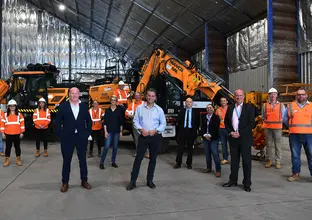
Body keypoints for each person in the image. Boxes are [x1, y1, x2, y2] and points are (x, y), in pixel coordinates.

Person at [126, 88, 166, 191]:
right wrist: (140, 129)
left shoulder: (159, 110)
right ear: (146, 96)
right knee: (138, 159)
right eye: (149, 95)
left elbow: (163, 124)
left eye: (153, 96)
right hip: (143, 137)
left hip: (155, 137)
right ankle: (133, 181)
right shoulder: (139, 108)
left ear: (155, 97)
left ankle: (150, 180)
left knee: (153, 160)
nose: (150, 97)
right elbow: (135, 121)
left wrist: (156, 130)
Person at [55, 87, 92, 193]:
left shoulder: (84, 107)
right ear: (69, 94)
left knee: (82, 160)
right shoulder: (63, 106)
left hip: (81, 137)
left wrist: (87, 133)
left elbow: (89, 121)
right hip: (67, 138)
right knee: (67, 160)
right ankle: (65, 182)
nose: (74, 95)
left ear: (79, 94)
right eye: (72, 93)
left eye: (76, 93)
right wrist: (61, 135)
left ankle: (84, 180)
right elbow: (57, 122)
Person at [223, 89, 255, 192]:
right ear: (234, 97)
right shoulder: (230, 108)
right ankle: (233, 180)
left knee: (246, 162)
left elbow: (251, 123)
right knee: (234, 162)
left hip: (245, 139)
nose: (238, 97)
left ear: (243, 97)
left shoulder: (249, 107)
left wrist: (240, 132)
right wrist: (231, 132)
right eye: (236, 95)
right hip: (233, 139)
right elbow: (226, 122)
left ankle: (246, 183)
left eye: (240, 95)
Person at [282, 88, 312, 182]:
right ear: (296, 96)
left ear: (306, 95)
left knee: (311, 155)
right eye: (299, 94)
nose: (301, 96)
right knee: (295, 155)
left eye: (303, 94)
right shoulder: (291, 106)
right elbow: (284, 119)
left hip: (309, 135)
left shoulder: (311, 106)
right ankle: (295, 174)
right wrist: (293, 127)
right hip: (294, 135)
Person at [174, 97, 199, 169]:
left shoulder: (195, 112)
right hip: (183, 131)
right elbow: (179, 122)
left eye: (190, 102)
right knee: (180, 148)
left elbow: (197, 123)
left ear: (192, 103)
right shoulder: (182, 111)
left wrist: (196, 132)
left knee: (190, 149)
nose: (188, 103)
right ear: (185, 103)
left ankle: (189, 164)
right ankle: (178, 163)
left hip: (191, 132)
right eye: (187, 102)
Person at [99, 96, 124, 169]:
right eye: (112, 100)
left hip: (116, 131)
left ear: (116, 101)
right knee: (106, 147)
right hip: (109, 131)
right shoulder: (107, 110)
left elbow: (121, 122)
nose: (113, 101)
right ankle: (102, 162)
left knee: (115, 147)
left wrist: (121, 131)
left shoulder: (119, 110)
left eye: (114, 100)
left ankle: (113, 162)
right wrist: (105, 132)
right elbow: (105, 122)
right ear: (110, 101)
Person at [263, 88, 284, 169]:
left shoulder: (281, 105)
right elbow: (263, 116)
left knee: (277, 145)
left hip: (278, 128)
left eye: (274, 94)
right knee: (268, 145)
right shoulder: (265, 105)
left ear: (276, 95)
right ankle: (269, 160)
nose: (272, 95)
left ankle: (278, 161)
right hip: (268, 128)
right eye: (271, 94)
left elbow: (284, 116)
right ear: (268, 95)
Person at [0, 99, 25, 167]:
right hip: (8, 134)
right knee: (8, 147)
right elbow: (2, 125)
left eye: (13, 106)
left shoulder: (20, 115)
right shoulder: (5, 115)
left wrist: (22, 132)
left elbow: (22, 124)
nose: (12, 107)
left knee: (17, 147)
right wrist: (2, 133)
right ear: (8, 107)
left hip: (17, 134)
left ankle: (18, 159)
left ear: (16, 106)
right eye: (10, 106)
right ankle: (7, 160)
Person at [125, 92, 148, 158]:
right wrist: (129, 115)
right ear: (134, 97)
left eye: (138, 95)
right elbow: (126, 112)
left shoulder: (144, 103)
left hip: (144, 123)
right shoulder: (131, 104)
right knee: (137, 138)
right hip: (135, 123)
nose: (137, 97)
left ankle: (147, 153)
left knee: (145, 138)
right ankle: (138, 152)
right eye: (136, 96)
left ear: (140, 96)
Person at [202, 104, 221, 177]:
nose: (209, 109)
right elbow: (202, 127)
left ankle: (218, 170)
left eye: (210, 107)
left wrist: (210, 135)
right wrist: (204, 135)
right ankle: (208, 168)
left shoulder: (216, 118)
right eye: (207, 108)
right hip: (205, 138)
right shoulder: (204, 117)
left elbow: (216, 129)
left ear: (213, 109)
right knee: (207, 154)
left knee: (215, 154)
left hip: (213, 139)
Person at [216, 97, 229, 165]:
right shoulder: (218, 110)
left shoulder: (230, 109)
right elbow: (216, 119)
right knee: (224, 144)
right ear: (220, 102)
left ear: (227, 101)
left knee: (232, 145)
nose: (223, 102)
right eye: (221, 101)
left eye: (224, 101)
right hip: (221, 128)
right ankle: (225, 158)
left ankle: (234, 159)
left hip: (229, 129)